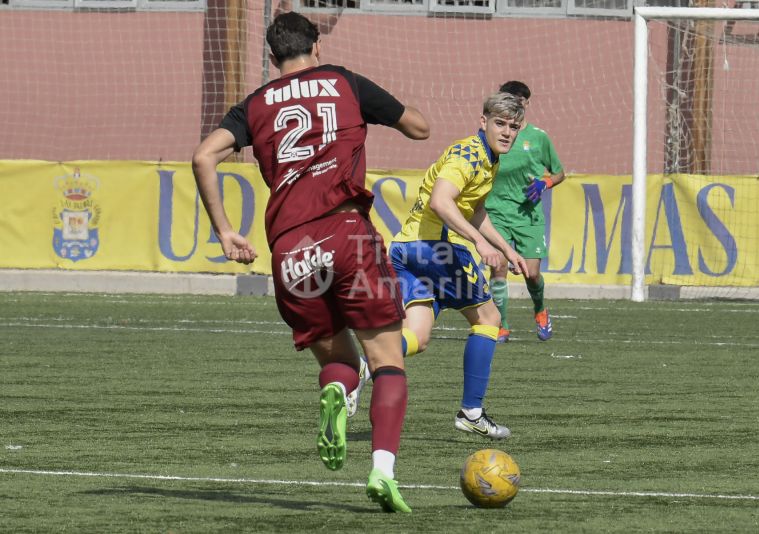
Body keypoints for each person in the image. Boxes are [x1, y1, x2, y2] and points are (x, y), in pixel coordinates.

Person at [192, 12, 429, 513]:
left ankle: (338, 391)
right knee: (387, 361)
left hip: (290, 250)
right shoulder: (344, 82)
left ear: (271, 57)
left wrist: (225, 230)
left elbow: (203, 157)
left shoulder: (254, 104)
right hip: (347, 235)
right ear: (316, 46)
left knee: (341, 362)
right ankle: (382, 471)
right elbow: (418, 128)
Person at [389, 92, 528, 440]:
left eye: (513, 127)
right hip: (437, 249)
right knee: (489, 319)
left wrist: (506, 249)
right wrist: (479, 243)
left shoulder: (488, 159)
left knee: (418, 337)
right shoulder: (468, 153)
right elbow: (441, 201)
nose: (506, 132)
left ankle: (360, 368)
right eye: (500, 123)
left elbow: (475, 211)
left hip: (406, 248)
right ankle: (471, 412)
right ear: (483, 122)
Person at [485, 81, 566, 343]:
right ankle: (501, 324)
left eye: (520, 100)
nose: (515, 104)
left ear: (527, 103)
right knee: (498, 268)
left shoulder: (539, 137)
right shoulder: (492, 134)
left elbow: (559, 172)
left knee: (532, 274)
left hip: (528, 216)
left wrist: (545, 183)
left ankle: (540, 309)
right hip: (496, 212)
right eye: (509, 98)